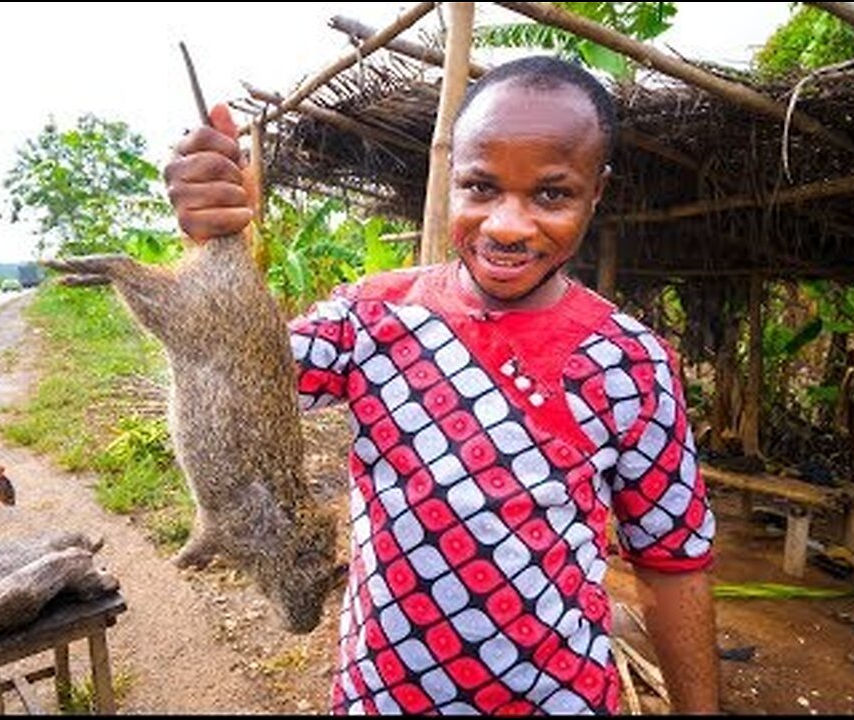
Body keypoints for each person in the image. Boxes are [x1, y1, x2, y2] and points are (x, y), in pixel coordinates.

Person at [163, 56, 719, 714]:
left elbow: (673, 563)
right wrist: (217, 241)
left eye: (552, 194)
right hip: (382, 699)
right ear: (451, 176)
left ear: (596, 192)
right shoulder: (369, 320)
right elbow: (239, 372)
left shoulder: (632, 363)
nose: (508, 226)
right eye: (481, 187)